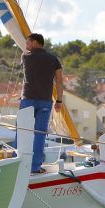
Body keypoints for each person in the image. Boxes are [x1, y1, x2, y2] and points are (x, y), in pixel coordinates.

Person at [19, 32, 63, 174]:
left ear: (34, 42)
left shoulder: (25, 57)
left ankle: (18, 164)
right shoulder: (54, 59)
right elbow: (59, 81)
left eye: (28, 42)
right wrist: (59, 100)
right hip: (45, 100)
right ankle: (35, 167)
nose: (26, 45)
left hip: (28, 99)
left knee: (23, 131)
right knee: (40, 134)